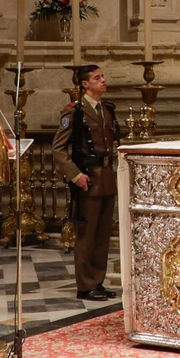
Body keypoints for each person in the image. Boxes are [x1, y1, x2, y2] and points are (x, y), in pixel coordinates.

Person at [53, 64, 119, 302]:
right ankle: (85, 284)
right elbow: (58, 149)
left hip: (106, 177)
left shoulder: (106, 110)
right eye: (97, 78)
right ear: (84, 85)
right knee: (86, 234)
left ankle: (97, 281)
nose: (103, 80)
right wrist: (76, 175)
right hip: (87, 178)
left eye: (103, 76)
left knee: (102, 234)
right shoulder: (74, 112)